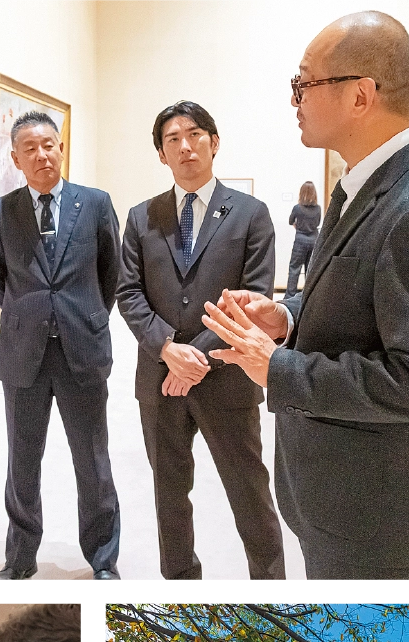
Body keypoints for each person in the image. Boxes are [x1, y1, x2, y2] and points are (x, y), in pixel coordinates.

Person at [202, 11, 409, 582]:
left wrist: (278, 369)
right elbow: (362, 301)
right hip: (344, 506)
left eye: (303, 84)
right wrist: (285, 315)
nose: (295, 100)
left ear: (360, 95)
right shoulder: (365, 184)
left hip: (382, 523)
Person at [117, 100, 285, 584]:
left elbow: (253, 299)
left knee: (249, 491)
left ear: (214, 142)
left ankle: (270, 586)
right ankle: (181, 581)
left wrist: (197, 357)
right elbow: (128, 291)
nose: (185, 146)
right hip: (159, 380)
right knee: (169, 492)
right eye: (172, 140)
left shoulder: (251, 214)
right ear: (162, 155)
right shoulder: (141, 217)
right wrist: (168, 347)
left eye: (194, 135)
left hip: (228, 378)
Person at [0, 111, 122, 584]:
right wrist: (34, 318)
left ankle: (103, 560)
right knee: (22, 462)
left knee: (93, 460)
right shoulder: (1, 213)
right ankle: (19, 561)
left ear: (61, 148)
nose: (42, 155)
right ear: (16, 158)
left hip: (82, 351)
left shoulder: (96, 203)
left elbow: (111, 277)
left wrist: (80, 317)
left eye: (49, 145)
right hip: (24, 358)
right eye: (30, 148)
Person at [285, 181, 321, 297]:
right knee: (310, 270)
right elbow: (318, 223)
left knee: (294, 268)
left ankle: (290, 296)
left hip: (300, 239)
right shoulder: (318, 209)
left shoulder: (297, 208)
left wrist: (298, 225)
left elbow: (291, 221)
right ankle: (308, 296)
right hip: (314, 240)